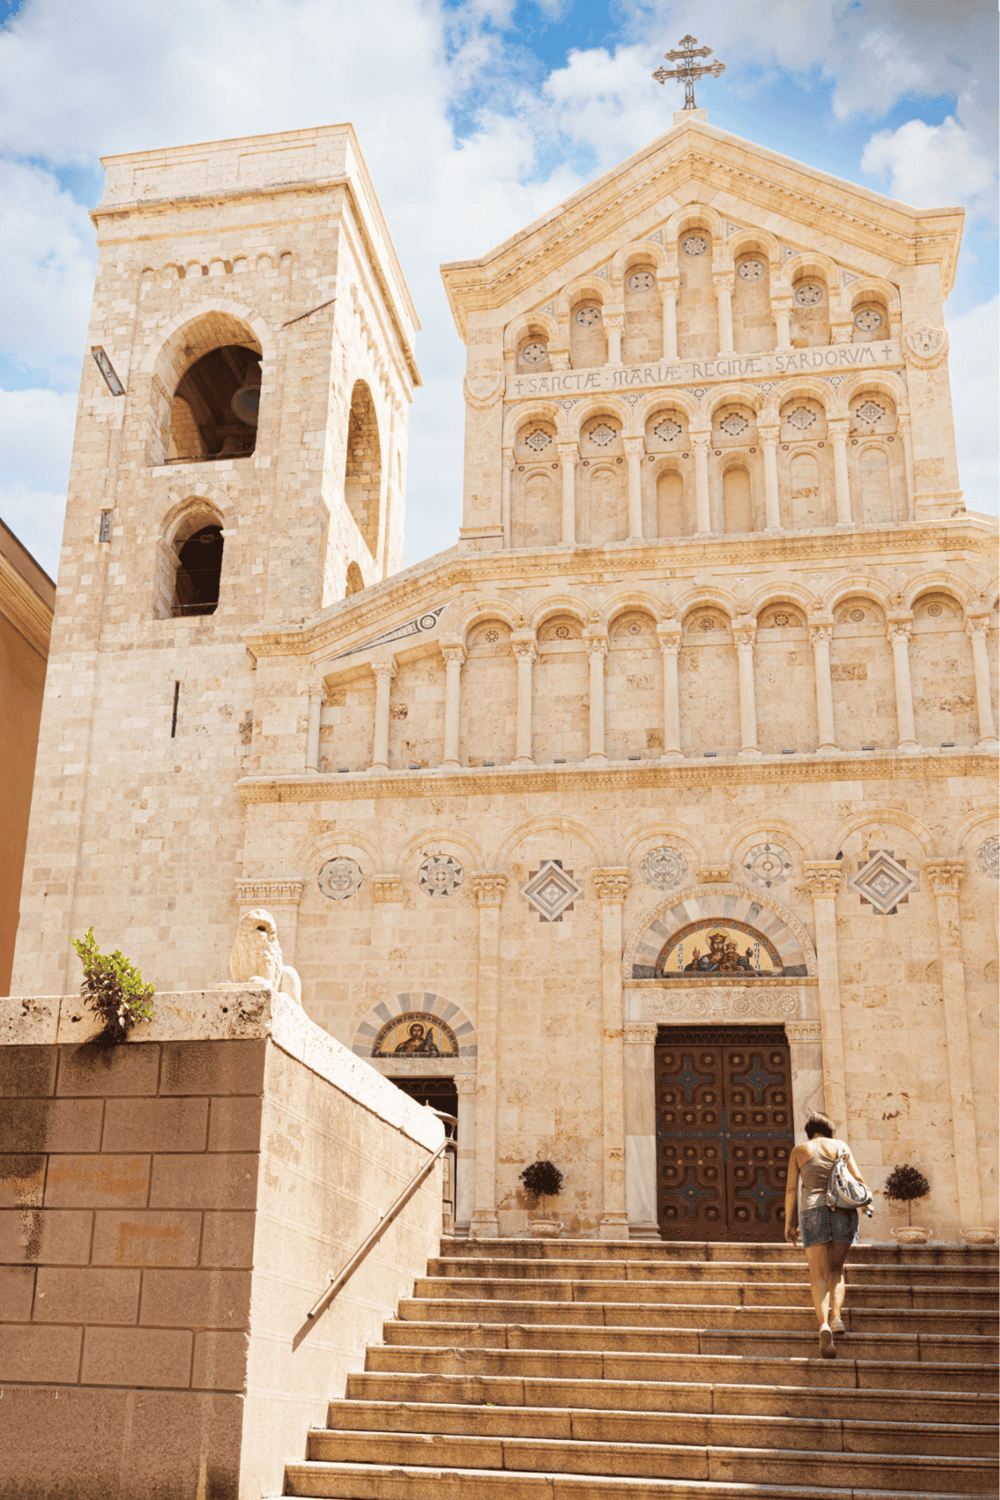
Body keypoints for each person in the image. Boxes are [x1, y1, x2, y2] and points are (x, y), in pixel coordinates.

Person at [784, 1110, 868, 1359]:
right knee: (837, 1270)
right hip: (843, 1211)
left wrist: (789, 1223)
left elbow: (791, 1189)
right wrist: (865, 1206)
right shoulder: (841, 1146)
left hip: (813, 1211)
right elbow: (859, 1179)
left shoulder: (799, 1150)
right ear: (830, 1129)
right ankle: (838, 1319)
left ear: (809, 1131)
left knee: (818, 1274)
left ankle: (822, 1324)